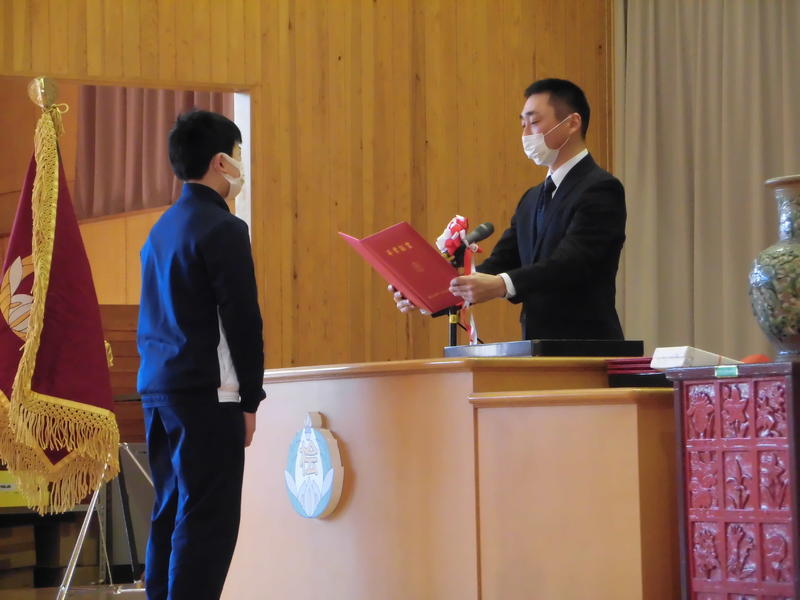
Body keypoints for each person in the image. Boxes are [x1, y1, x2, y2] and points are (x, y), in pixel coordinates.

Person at [137, 110, 265, 600]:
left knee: (170, 510)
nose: (240, 165)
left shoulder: (161, 229)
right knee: (207, 521)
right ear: (220, 162)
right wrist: (250, 399)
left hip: (159, 390)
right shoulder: (224, 229)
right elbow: (242, 320)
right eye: (238, 155)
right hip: (209, 393)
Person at [393, 78, 626, 340]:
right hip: (536, 347)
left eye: (534, 122)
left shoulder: (601, 188)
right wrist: (429, 292)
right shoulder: (531, 198)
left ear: (572, 123)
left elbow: (572, 263)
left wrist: (501, 285)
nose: (526, 134)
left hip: (587, 346)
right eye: (522, 124)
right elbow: (501, 262)